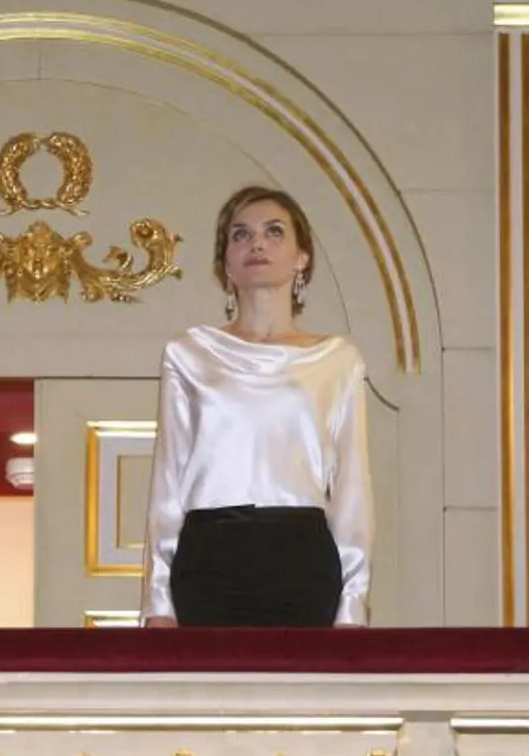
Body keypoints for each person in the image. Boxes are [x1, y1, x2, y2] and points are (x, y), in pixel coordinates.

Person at [141, 185, 373, 628]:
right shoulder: (189, 352)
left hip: (301, 553)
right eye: (241, 235)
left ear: (302, 257)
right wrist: (158, 601)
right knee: (207, 697)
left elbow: (352, 490)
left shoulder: (337, 358)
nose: (257, 244)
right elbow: (167, 479)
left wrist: (353, 605)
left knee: (300, 696)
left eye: (274, 232)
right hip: (208, 553)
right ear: (226, 263)